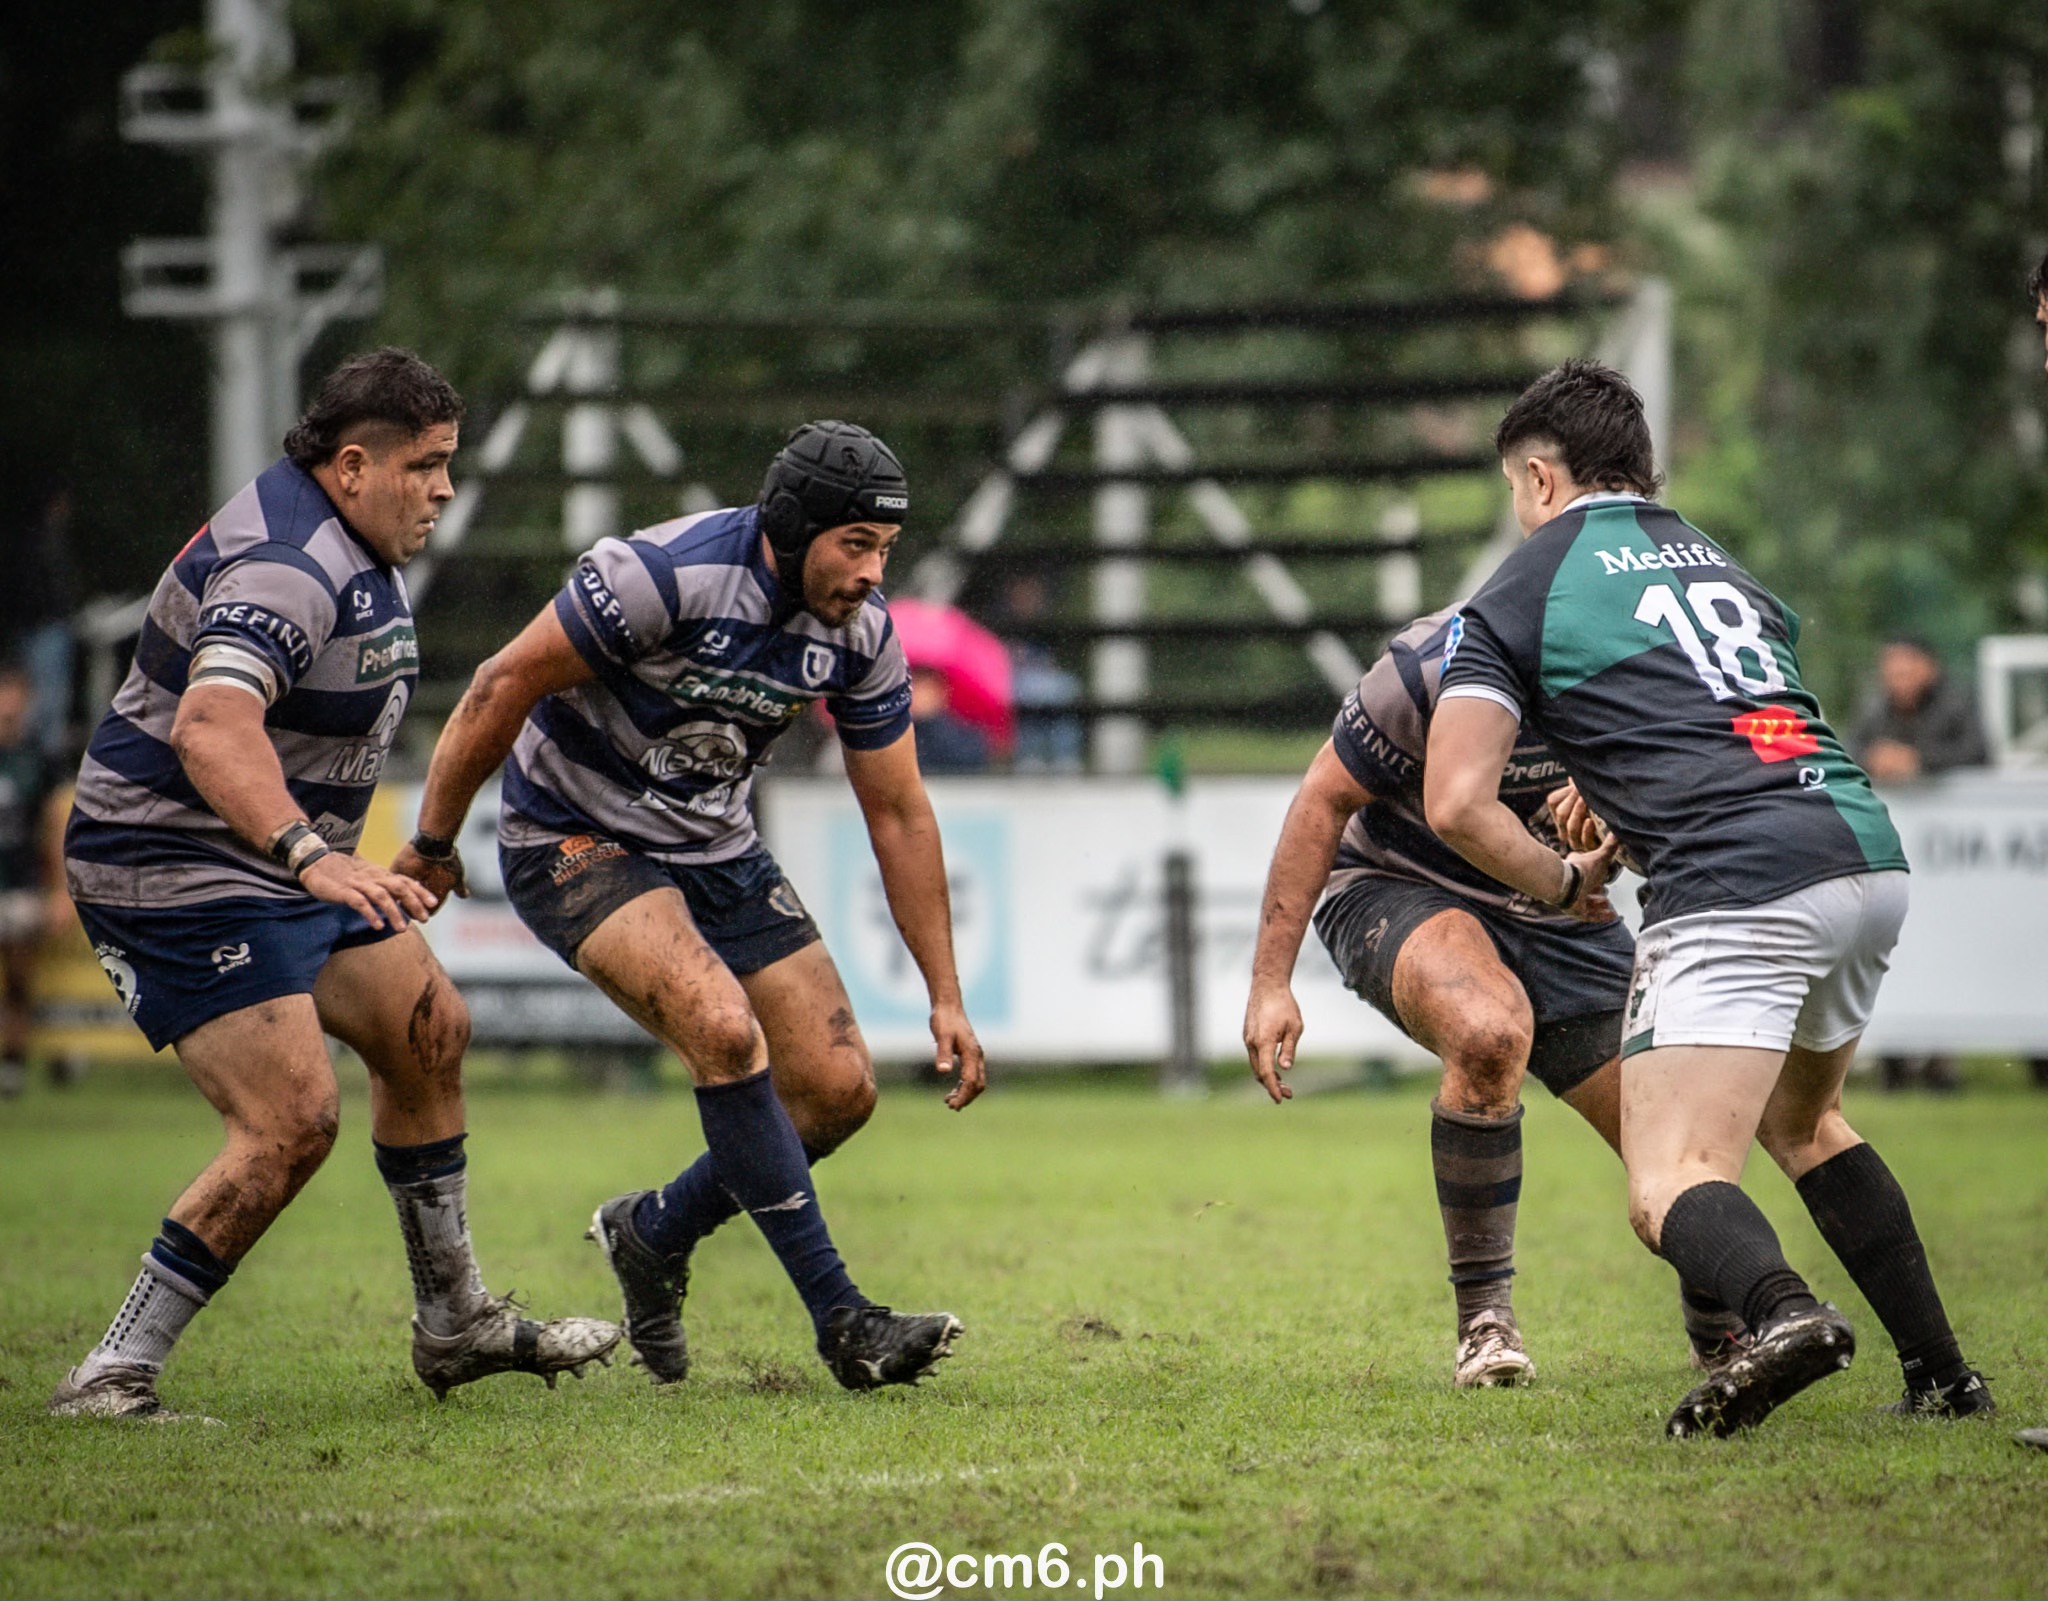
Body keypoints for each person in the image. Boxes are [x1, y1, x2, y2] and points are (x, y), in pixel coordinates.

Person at [1423, 358, 1992, 1437]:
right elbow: (1736, 707)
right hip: (1860, 850)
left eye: (1512, 489)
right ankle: (1943, 1374)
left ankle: (1781, 1315)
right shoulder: (1717, 563)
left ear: (1539, 479)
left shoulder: (1516, 585)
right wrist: (1619, 783)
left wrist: (1557, 880)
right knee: (1807, 1119)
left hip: (1738, 886)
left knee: (1665, 1181)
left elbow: (1454, 800)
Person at [52, 350, 620, 1420]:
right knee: (290, 1118)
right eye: (427, 466)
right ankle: (111, 1372)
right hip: (170, 862)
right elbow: (211, 723)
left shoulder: (348, 536)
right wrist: (311, 854)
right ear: (353, 464)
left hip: (265, 859)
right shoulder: (289, 563)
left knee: (426, 1029)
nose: (443, 489)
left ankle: (454, 1319)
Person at [397, 420, 985, 1392]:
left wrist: (945, 994)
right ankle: (843, 1318)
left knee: (836, 1089)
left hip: (713, 843)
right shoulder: (659, 577)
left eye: (885, 548)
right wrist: (430, 840)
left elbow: (897, 809)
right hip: (572, 833)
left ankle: (652, 1230)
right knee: (721, 1025)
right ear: (791, 529)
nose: (876, 572)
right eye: (857, 545)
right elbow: (500, 682)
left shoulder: (859, 632)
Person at [1243, 607, 1749, 1388]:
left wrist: (1611, 836)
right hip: (1396, 883)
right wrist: (1269, 982)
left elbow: (1679, 823)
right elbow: (1320, 800)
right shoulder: (1421, 668)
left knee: (1676, 1140)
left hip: (1559, 905)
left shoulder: (1645, 672)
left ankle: (1723, 1327)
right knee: (1487, 1031)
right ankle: (1485, 1323)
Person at [1848, 635, 1987, 1091]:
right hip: (1895, 856)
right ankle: (1894, 1056)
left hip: (1952, 867)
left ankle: (1939, 1058)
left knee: (1945, 951)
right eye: (1891, 667)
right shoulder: (1875, 707)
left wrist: (1920, 762)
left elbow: (1980, 754)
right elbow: (1847, 752)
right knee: (1893, 950)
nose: (1897, 677)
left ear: (1929, 667)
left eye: (1906, 666)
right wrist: (1874, 759)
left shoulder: (1956, 704)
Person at [0, 663, 61, 1097]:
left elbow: (53, 826)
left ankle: (13, 1063)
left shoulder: (38, 758)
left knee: (19, 978)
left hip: (19, 882)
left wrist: (60, 891)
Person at [908, 666, 991, 774]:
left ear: (941, 693)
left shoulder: (963, 735)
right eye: (914, 689)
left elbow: (968, 759)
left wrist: (931, 722)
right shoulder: (895, 732)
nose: (918, 696)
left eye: (925, 689)